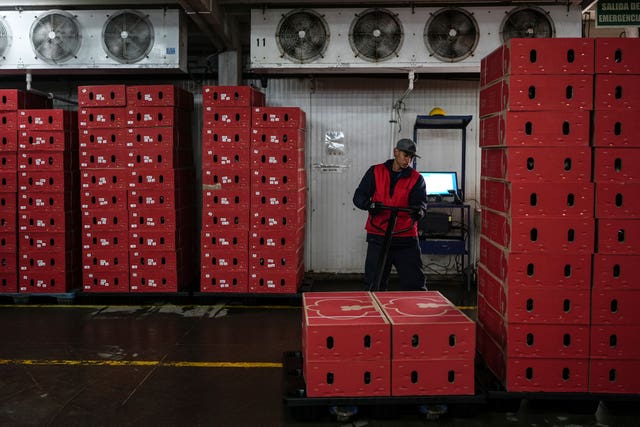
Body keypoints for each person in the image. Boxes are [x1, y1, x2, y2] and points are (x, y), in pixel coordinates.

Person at [353, 138, 428, 291]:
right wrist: (369, 205)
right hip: (378, 236)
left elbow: (421, 203)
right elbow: (359, 196)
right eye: (405, 155)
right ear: (395, 152)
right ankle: (375, 312)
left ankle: (415, 314)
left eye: (411, 157)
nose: (408, 160)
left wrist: (418, 212)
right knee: (374, 284)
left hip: (405, 237)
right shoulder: (375, 171)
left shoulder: (417, 179)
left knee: (415, 285)